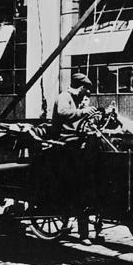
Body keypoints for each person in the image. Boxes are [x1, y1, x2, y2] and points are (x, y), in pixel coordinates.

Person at [51, 73, 98, 245]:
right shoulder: (64, 97)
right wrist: (83, 111)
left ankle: (83, 230)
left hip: (76, 144)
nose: (87, 94)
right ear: (80, 87)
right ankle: (80, 232)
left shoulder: (78, 100)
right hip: (64, 146)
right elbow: (64, 114)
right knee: (77, 187)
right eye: (86, 90)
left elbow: (81, 121)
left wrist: (90, 114)